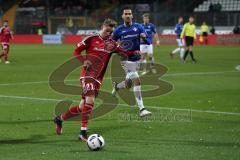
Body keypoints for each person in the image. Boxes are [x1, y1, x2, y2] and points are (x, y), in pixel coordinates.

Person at [53, 18, 140, 141]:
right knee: (90, 101)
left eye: (111, 32)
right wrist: (84, 61)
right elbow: (77, 51)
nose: (109, 34)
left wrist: (133, 53)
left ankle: (59, 119)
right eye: (107, 31)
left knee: (82, 108)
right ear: (103, 27)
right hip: (87, 75)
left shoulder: (112, 44)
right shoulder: (91, 38)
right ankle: (83, 133)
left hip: (98, 78)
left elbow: (123, 52)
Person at [111, 6, 152, 117]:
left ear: (132, 15)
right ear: (123, 16)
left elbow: (148, 41)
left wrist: (143, 38)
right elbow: (110, 44)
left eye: (129, 13)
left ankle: (117, 87)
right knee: (137, 80)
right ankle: (142, 109)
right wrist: (116, 48)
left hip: (136, 59)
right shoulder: (118, 30)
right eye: (126, 14)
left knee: (128, 84)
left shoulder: (138, 27)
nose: (128, 15)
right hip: (125, 60)